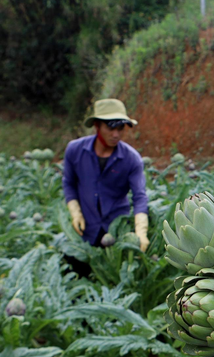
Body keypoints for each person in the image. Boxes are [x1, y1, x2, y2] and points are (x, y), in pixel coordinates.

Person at [63, 98, 150, 255]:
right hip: (85, 231)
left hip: (117, 230)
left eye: (120, 128)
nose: (116, 134)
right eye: (110, 128)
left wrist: (141, 231)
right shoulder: (75, 150)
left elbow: (139, 197)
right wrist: (75, 212)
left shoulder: (132, 159)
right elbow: (69, 183)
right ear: (97, 125)